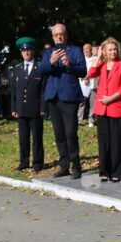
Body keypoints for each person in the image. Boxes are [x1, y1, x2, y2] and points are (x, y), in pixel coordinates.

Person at [40, 23, 87, 179]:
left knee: (70, 133)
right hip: (53, 97)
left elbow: (83, 71)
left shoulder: (75, 50)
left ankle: (76, 166)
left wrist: (69, 65)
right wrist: (51, 61)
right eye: (56, 35)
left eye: (61, 34)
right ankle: (64, 165)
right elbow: (41, 71)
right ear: (53, 37)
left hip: (69, 97)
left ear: (66, 35)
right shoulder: (48, 53)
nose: (59, 37)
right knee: (59, 134)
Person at [87, 37, 121, 182]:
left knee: (117, 141)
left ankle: (117, 172)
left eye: (114, 49)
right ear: (105, 51)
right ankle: (104, 171)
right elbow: (91, 73)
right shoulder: (102, 64)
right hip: (102, 109)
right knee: (104, 142)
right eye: (109, 49)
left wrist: (111, 98)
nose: (113, 52)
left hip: (116, 107)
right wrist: (98, 56)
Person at [9, 37, 47, 172]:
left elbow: (43, 90)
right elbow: (14, 90)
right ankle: (24, 162)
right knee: (23, 138)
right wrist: (13, 108)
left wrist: (43, 107)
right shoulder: (18, 68)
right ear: (21, 52)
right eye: (24, 51)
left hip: (36, 109)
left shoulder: (40, 67)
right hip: (21, 109)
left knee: (37, 137)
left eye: (29, 50)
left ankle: (38, 163)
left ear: (33, 51)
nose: (26, 53)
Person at [78, 43, 96, 125]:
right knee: (81, 103)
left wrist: (88, 78)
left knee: (93, 103)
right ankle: (78, 120)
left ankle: (91, 121)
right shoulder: (80, 60)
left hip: (93, 84)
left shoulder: (96, 59)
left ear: (91, 49)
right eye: (84, 49)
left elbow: (97, 72)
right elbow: (77, 72)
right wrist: (84, 78)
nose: (86, 50)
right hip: (83, 84)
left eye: (88, 48)